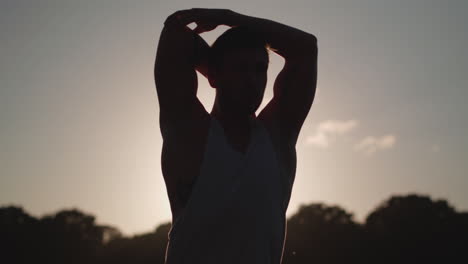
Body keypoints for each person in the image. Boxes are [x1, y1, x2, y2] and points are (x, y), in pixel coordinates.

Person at [154, 8, 317, 264]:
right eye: (240, 69)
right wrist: (217, 69)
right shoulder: (189, 131)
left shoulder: (278, 137)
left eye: (259, 69)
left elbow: (306, 48)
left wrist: (229, 18)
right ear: (213, 74)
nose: (253, 81)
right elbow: (175, 33)